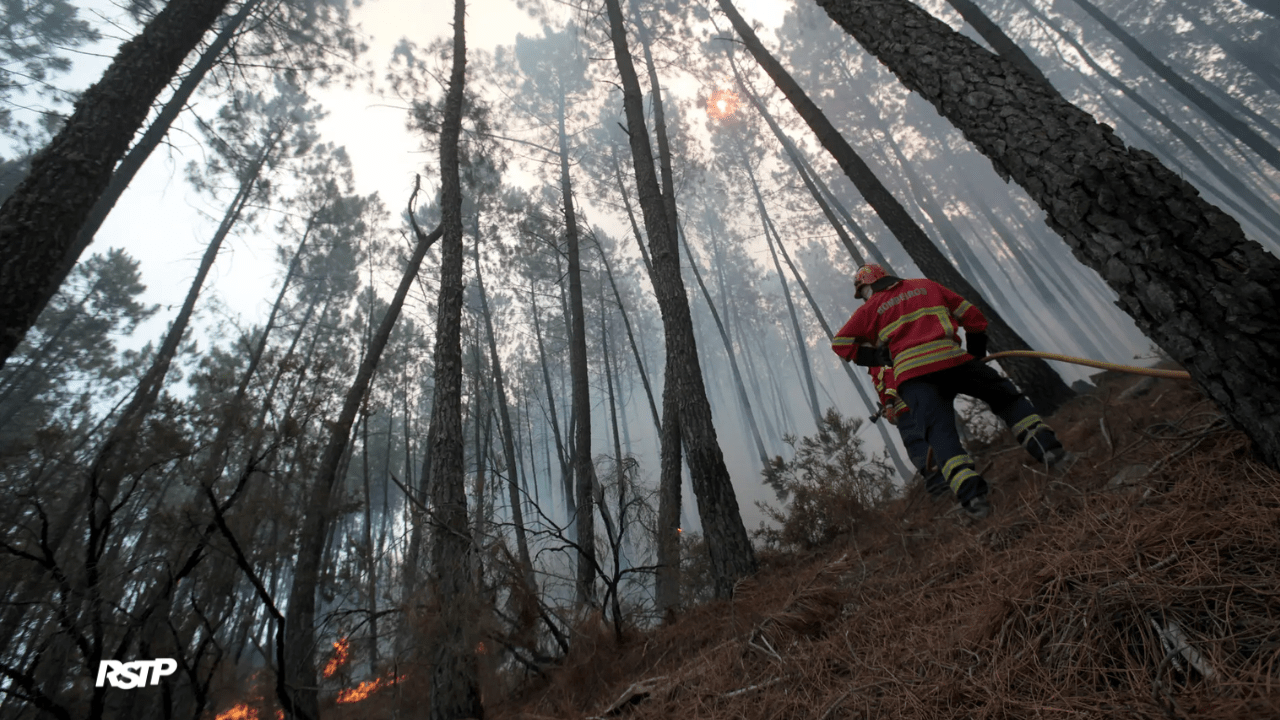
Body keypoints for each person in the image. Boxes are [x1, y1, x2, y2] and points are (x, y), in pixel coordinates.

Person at [833, 264, 1068, 520]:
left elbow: (841, 343)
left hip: (913, 378)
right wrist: (975, 357)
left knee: (940, 434)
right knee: (1006, 399)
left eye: (862, 292)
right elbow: (974, 317)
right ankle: (1048, 450)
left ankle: (974, 500)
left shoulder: (869, 309)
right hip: (954, 361)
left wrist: (880, 356)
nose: (864, 296)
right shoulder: (927, 286)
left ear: (867, 287)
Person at [869, 364, 948, 499]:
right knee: (927, 444)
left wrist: (889, 406)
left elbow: (890, 381)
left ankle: (939, 485)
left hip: (907, 414)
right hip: (910, 410)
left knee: (917, 449)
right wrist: (887, 408)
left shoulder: (877, 365)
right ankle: (946, 477)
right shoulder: (880, 364)